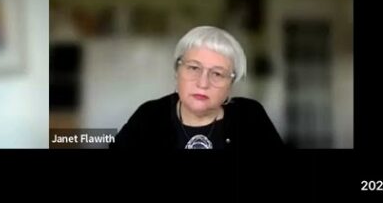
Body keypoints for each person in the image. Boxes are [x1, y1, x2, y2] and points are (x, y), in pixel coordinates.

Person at [111, 26, 283, 149]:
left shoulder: (250, 116)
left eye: (217, 74)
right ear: (177, 71)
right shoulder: (149, 115)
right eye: (194, 68)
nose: (203, 83)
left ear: (231, 83)